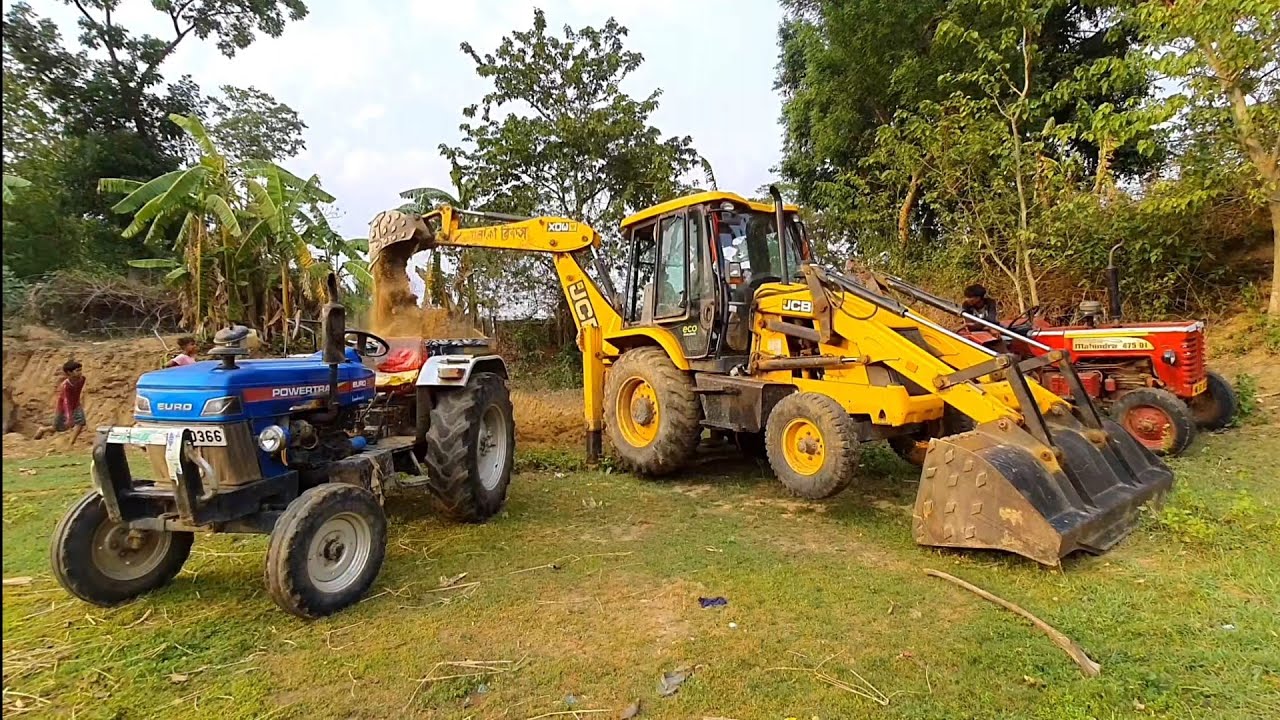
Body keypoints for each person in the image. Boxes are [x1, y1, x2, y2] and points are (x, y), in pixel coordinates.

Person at [34, 360, 87, 449]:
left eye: (80, 370)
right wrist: (69, 416)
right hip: (63, 408)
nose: (80, 372)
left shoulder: (82, 379)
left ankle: (71, 444)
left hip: (76, 404)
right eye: (77, 370)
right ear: (69, 373)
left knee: (80, 423)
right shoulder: (66, 386)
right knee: (58, 428)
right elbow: (66, 402)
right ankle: (42, 429)